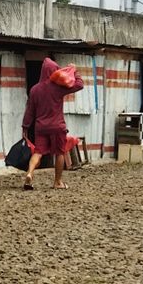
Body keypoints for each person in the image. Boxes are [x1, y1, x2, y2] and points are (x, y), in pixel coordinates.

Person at [21, 58, 84, 190]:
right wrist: (74, 70)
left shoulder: (34, 90)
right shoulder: (58, 87)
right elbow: (79, 85)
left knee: (38, 152)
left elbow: (30, 111)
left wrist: (25, 126)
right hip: (57, 126)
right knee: (60, 153)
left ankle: (30, 173)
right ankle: (57, 182)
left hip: (41, 127)